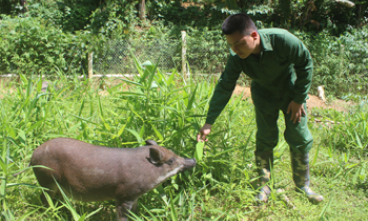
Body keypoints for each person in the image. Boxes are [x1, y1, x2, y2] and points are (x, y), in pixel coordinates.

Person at [197, 13, 323, 204]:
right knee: (265, 138)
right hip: (263, 95)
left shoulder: (282, 40)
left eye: (239, 43)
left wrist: (298, 99)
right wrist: (209, 122)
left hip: (290, 91)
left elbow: (305, 63)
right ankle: (264, 186)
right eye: (231, 45)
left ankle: (303, 185)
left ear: (254, 35)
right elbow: (225, 85)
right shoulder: (237, 56)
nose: (235, 49)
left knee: (299, 135)